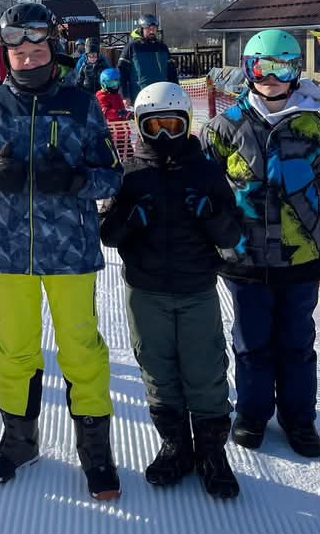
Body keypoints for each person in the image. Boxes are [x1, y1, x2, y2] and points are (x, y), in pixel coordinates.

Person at [0, 2, 124, 500]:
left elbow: (113, 174)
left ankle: (94, 449)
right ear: (5, 53)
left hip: (70, 250)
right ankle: (18, 441)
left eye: (37, 50)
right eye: (19, 53)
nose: (28, 59)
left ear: (53, 47)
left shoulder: (82, 104)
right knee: (14, 349)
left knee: (81, 348)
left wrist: (76, 181)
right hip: (8, 251)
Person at [200, 29, 320, 459]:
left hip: (301, 255)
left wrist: (292, 198)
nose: (272, 79)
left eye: (282, 68)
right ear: (248, 70)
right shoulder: (226, 126)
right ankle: (252, 413)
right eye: (262, 68)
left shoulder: (317, 126)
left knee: (297, 341)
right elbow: (208, 180)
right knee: (251, 341)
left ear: (296, 71)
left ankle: (299, 419)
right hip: (246, 255)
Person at [100, 82, 241, 499]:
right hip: (146, 291)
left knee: (204, 369)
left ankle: (212, 453)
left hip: (196, 287)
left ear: (187, 124)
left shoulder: (206, 171)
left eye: (172, 126)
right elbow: (107, 234)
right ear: (140, 127)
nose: (163, 135)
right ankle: (175, 445)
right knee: (157, 368)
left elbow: (232, 234)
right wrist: (129, 218)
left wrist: (211, 215)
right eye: (154, 126)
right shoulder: (130, 175)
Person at [117, 14, 177, 105]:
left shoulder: (162, 47)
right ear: (142, 29)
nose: (152, 31)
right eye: (148, 29)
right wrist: (124, 95)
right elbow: (121, 72)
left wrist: (176, 90)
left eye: (154, 29)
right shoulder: (132, 47)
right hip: (140, 96)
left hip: (162, 95)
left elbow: (172, 72)